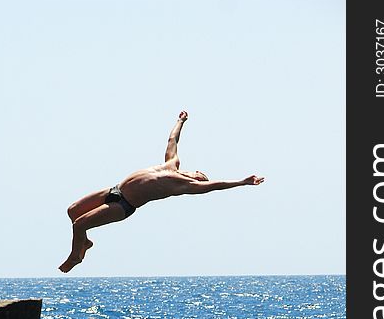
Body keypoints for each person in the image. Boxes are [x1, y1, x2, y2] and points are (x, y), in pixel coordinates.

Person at [59, 111, 265, 272]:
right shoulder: (171, 164)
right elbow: (172, 140)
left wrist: (242, 182)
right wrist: (180, 121)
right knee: (73, 210)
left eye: (200, 178)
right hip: (114, 190)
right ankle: (85, 242)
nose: (198, 176)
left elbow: (215, 186)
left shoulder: (181, 185)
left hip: (123, 205)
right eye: (199, 173)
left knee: (80, 224)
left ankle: (75, 256)